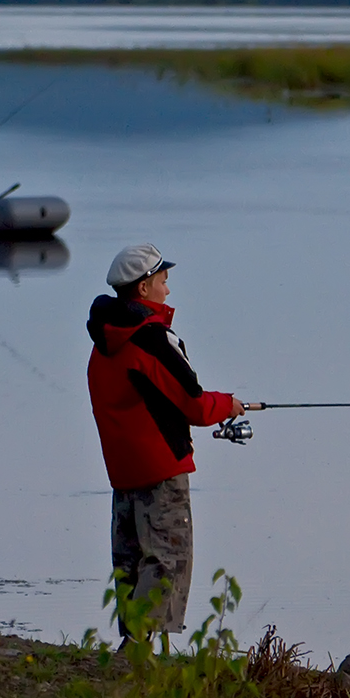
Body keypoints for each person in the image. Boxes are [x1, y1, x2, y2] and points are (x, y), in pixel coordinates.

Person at [86, 243, 245, 644]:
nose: (167, 290)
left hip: (122, 472)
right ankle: (138, 650)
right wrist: (230, 405)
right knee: (167, 561)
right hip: (161, 471)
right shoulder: (151, 339)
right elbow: (194, 404)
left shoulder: (102, 345)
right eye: (162, 281)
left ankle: (135, 650)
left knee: (131, 561)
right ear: (142, 289)